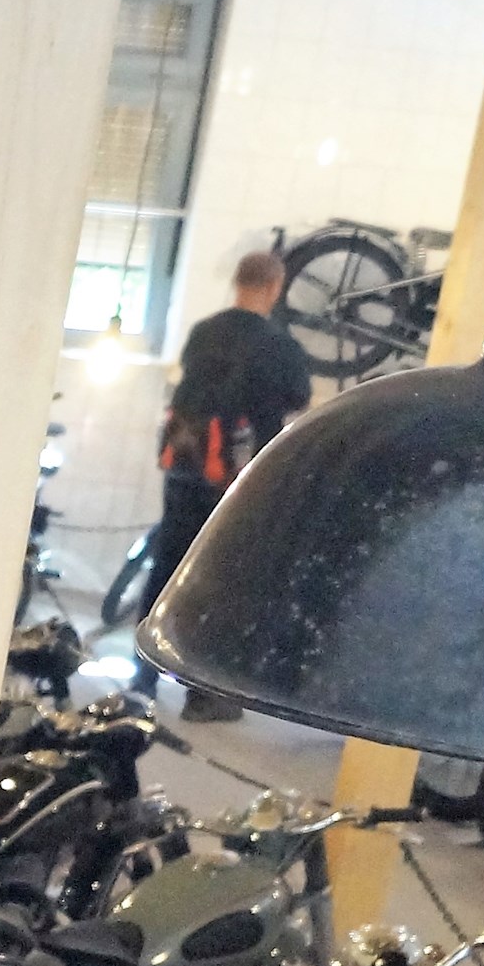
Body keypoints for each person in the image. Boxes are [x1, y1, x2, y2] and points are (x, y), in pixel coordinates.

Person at [134, 250, 316, 724]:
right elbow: (298, 397)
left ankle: (142, 678)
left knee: (166, 565)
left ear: (237, 281)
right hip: (235, 482)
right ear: (275, 287)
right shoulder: (279, 345)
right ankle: (203, 696)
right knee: (221, 580)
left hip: (185, 466)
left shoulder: (203, 332)